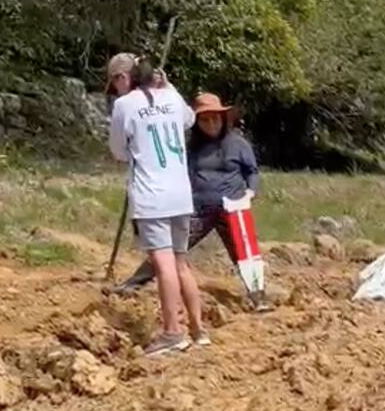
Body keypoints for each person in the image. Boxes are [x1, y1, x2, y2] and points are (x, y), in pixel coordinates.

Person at [112, 92, 271, 311]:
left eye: (215, 118)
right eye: (205, 120)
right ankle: (132, 285)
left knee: (244, 253)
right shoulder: (190, 148)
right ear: (197, 123)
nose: (211, 123)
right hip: (199, 209)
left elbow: (252, 171)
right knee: (168, 247)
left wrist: (250, 192)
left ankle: (259, 298)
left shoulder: (238, 144)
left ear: (223, 118)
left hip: (233, 208)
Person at [107, 55, 207, 356]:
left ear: (124, 77)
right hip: (180, 193)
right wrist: (169, 87)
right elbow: (189, 120)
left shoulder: (124, 105)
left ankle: (172, 332)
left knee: (164, 265)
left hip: (151, 196)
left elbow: (118, 151)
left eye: (115, 82)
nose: (115, 89)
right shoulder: (172, 97)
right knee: (180, 263)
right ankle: (198, 330)